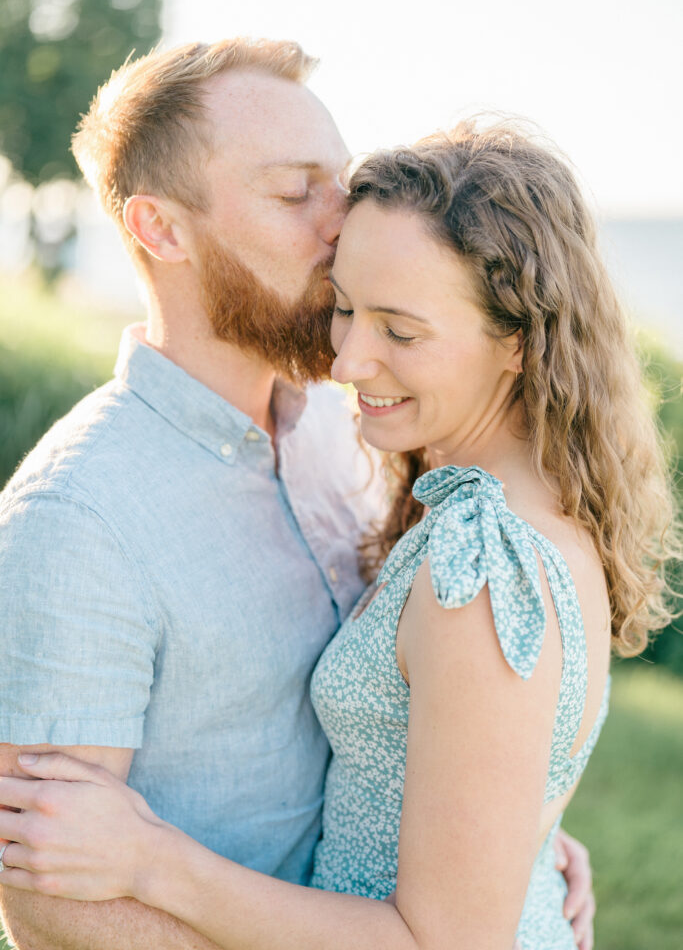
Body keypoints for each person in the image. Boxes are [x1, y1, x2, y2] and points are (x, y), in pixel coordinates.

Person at [1, 120, 678, 949]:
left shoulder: (479, 566)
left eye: (400, 331)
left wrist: (149, 860)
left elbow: (449, 942)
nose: (350, 361)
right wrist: (514, 848)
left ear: (517, 342)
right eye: (345, 308)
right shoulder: (510, 506)